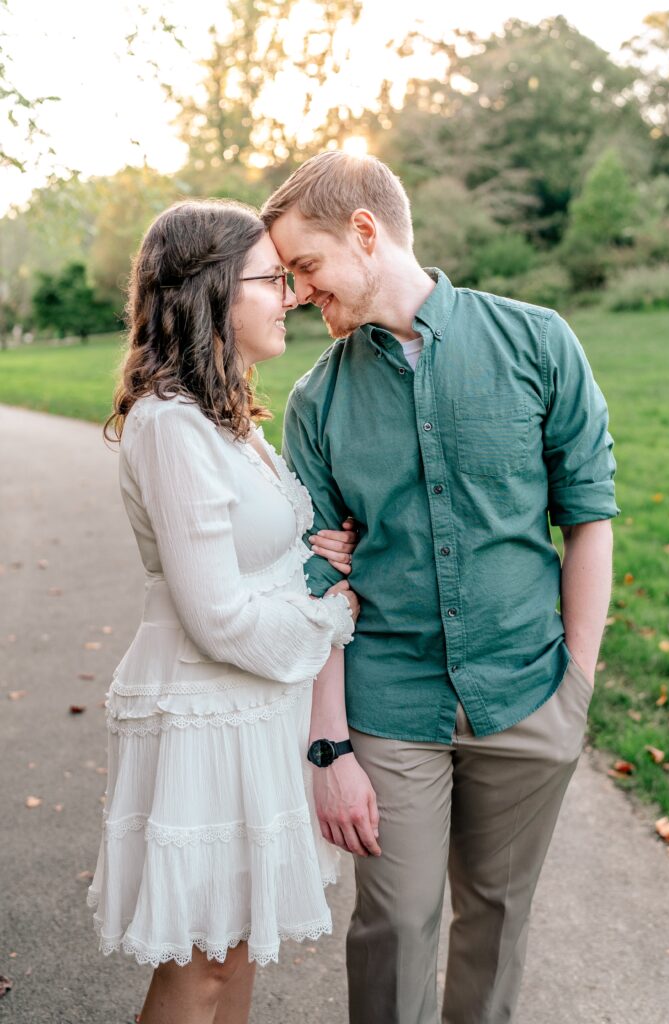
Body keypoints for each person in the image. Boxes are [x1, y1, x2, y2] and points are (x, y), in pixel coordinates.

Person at [262, 151, 618, 1024]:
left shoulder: (537, 342)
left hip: (529, 694)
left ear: (365, 231)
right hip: (389, 706)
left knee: (497, 919)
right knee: (393, 922)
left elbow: (589, 515)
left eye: (304, 267)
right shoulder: (316, 401)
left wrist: (576, 680)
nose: (298, 293)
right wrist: (329, 747)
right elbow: (318, 580)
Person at [89, 198, 360, 1024]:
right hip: (206, 715)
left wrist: (309, 558)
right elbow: (218, 616)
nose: (290, 296)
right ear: (209, 291)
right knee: (204, 965)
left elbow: (256, 557)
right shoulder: (171, 425)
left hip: (252, 713)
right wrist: (330, 606)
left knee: (236, 954)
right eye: (271, 280)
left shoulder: (225, 420)